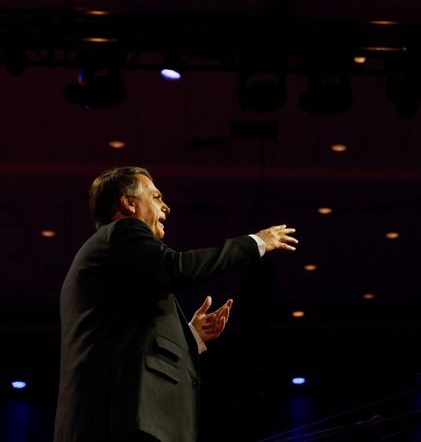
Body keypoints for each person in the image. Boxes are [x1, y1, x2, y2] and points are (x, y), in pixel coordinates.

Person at [54, 167, 298, 442]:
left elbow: (123, 331)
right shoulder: (124, 230)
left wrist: (189, 336)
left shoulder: (108, 254)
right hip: (125, 419)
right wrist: (256, 244)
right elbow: (175, 267)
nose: (166, 207)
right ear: (129, 203)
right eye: (156, 197)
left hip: (102, 418)